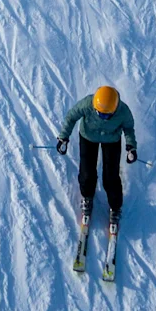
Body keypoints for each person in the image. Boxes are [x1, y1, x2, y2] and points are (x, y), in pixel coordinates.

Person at [57, 86, 137, 225]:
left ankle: (115, 207)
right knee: (87, 172)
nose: (103, 117)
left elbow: (128, 128)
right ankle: (87, 197)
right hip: (88, 137)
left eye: (107, 115)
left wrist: (131, 147)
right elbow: (71, 116)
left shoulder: (123, 111)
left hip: (111, 140)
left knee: (111, 176)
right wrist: (63, 137)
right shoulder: (88, 103)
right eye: (99, 113)